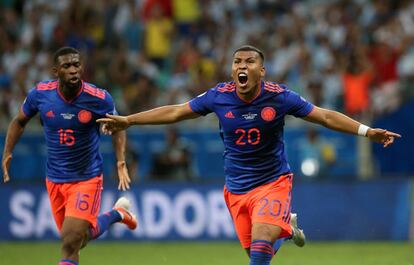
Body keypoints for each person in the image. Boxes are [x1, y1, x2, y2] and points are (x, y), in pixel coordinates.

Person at [97, 45, 401, 265]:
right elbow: (176, 112)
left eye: (249, 61)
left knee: (258, 252)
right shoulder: (219, 96)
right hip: (237, 189)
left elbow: (323, 116)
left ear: (261, 70)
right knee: (259, 251)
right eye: (237, 61)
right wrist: (129, 119)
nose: (242, 66)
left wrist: (366, 131)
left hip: (273, 183)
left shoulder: (279, 97)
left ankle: (279, 225)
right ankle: (287, 228)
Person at [1, 47, 138, 265]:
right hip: (54, 179)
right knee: (77, 240)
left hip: (87, 178)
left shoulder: (99, 98)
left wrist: (120, 160)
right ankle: (117, 214)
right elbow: (19, 121)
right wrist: (7, 152)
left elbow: (119, 126)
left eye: (77, 65)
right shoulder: (40, 94)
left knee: (70, 241)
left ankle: (116, 214)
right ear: (56, 71)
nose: (73, 70)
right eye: (67, 66)